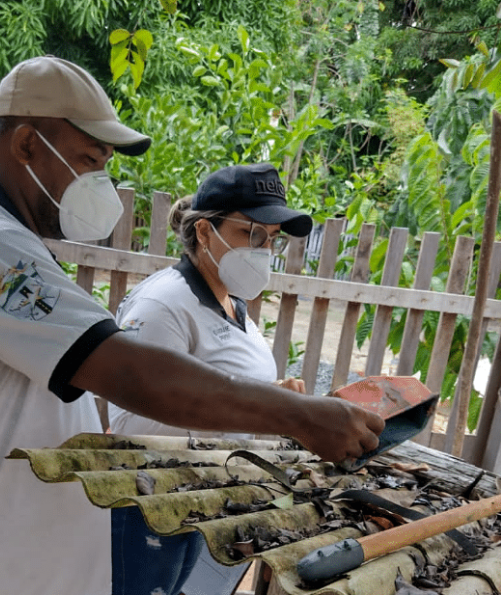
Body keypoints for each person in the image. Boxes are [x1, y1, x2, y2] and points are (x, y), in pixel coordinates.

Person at [0, 56, 384, 595]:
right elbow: (130, 373)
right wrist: (299, 416)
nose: (98, 183)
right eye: (89, 160)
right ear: (26, 145)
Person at [108, 163, 312, 595]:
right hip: (152, 500)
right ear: (204, 232)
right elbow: (137, 418)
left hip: (201, 495)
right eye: (252, 234)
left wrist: (273, 397)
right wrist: (264, 409)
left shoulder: (232, 303)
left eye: (272, 239)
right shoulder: (163, 305)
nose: (264, 250)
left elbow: (228, 383)